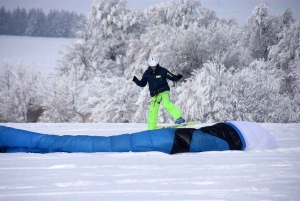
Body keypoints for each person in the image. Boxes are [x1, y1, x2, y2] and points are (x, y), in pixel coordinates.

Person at [132, 56, 185, 130]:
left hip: (164, 91)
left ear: (157, 64)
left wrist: (178, 77)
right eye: (152, 66)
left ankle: (178, 118)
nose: (153, 68)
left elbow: (172, 77)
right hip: (154, 95)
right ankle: (151, 129)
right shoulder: (147, 73)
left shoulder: (163, 71)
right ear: (149, 66)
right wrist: (136, 80)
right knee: (152, 112)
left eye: (155, 66)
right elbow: (143, 83)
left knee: (166, 103)